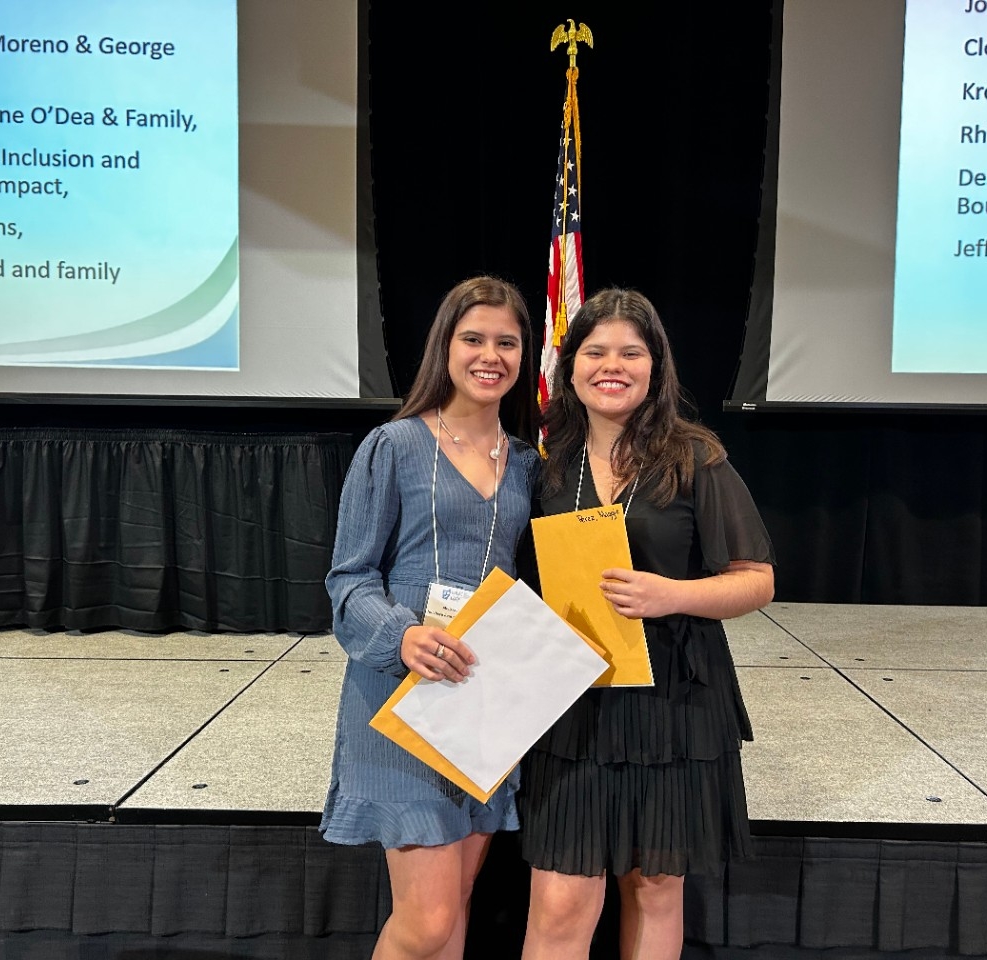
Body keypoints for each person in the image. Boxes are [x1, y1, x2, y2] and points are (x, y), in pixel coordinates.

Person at [519, 288, 775, 960]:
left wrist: (674, 595)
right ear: (570, 368)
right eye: (596, 351)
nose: (614, 364)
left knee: (655, 885)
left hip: (674, 700)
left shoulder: (696, 458)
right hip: (574, 705)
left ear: (656, 368)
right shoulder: (546, 467)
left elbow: (758, 580)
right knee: (560, 898)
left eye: (632, 352)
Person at [322, 276, 539, 960]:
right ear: (444, 346)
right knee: (427, 920)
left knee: (453, 916)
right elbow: (348, 578)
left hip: (484, 705)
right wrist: (402, 636)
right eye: (473, 338)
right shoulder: (393, 447)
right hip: (402, 701)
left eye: (507, 341)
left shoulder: (532, 466)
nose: (490, 354)